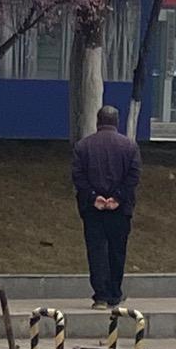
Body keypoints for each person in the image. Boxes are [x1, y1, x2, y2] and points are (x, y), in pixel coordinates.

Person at [72, 105, 141, 308]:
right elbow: (133, 176)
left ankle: (100, 294)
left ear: (98, 122)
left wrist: (94, 197)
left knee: (96, 250)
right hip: (120, 209)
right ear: (116, 122)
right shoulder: (129, 147)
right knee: (117, 250)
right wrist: (118, 197)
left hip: (93, 209)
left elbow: (78, 176)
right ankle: (114, 292)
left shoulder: (83, 146)